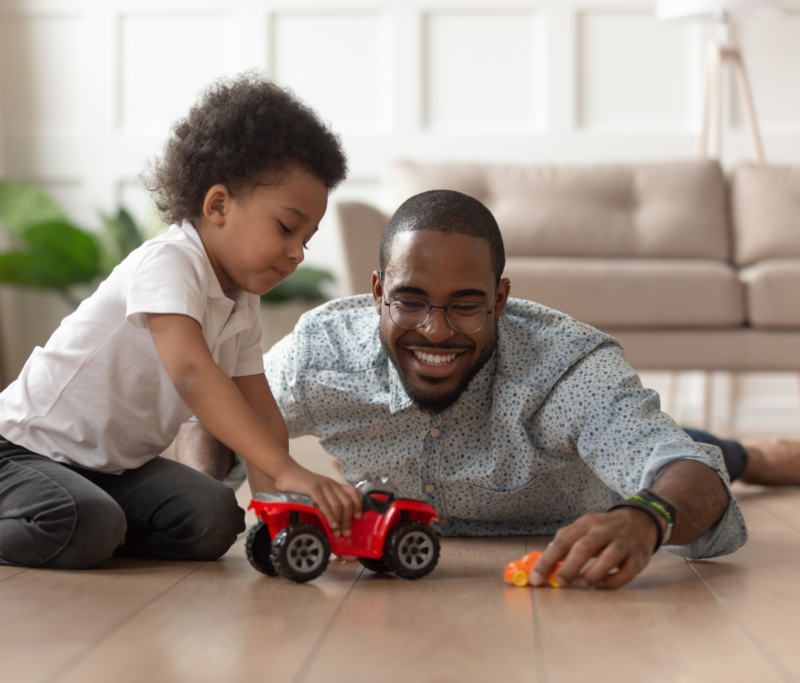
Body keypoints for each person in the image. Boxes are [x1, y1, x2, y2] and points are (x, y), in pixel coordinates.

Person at [177, 189, 782, 589]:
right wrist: (204, 497)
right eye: (410, 302)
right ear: (377, 291)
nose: (435, 331)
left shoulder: (568, 367)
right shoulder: (323, 352)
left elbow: (688, 473)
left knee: (713, 456)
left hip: (600, 486)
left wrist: (647, 515)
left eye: (466, 306)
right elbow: (219, 422)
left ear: (500, 298)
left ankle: (755, 452)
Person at [0, 74, 362, 569]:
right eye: (286, 227)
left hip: (115, 469)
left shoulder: (241, 302)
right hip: (21, 451)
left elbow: (261, 414)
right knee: (88, 526)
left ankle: (95, 522)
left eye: (307, 239)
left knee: (215, 519)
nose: (297, 252)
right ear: (218, 205)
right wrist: (288, 469)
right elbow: (193, 374)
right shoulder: (169, 263)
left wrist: (286, 515)